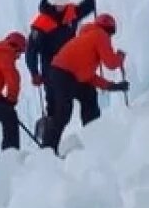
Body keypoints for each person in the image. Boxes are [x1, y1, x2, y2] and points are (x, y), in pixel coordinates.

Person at [40, 12, 129, 154]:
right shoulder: (100, 35)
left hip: (61, 73)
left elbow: (88, 77)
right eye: (111, 34)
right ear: (109, 29)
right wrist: (120, 57)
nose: (110, 38)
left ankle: (93, 137)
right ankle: (47, 152)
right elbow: (111, 63)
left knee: (88, 95)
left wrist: (112, 86)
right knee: (64, 112)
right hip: (64, 75)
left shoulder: (87, 37)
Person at [25, 0, 97, 96]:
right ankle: (52, 114)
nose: (63, 7)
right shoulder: (40, 25)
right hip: (51, 65)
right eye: (60, 5)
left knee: (86, 92)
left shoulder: (70, 12)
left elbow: (86, 8)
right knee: (54, 97)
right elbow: (31, 51)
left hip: (71, 61)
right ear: (52, 4)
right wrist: (34, 73)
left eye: (64, 4)